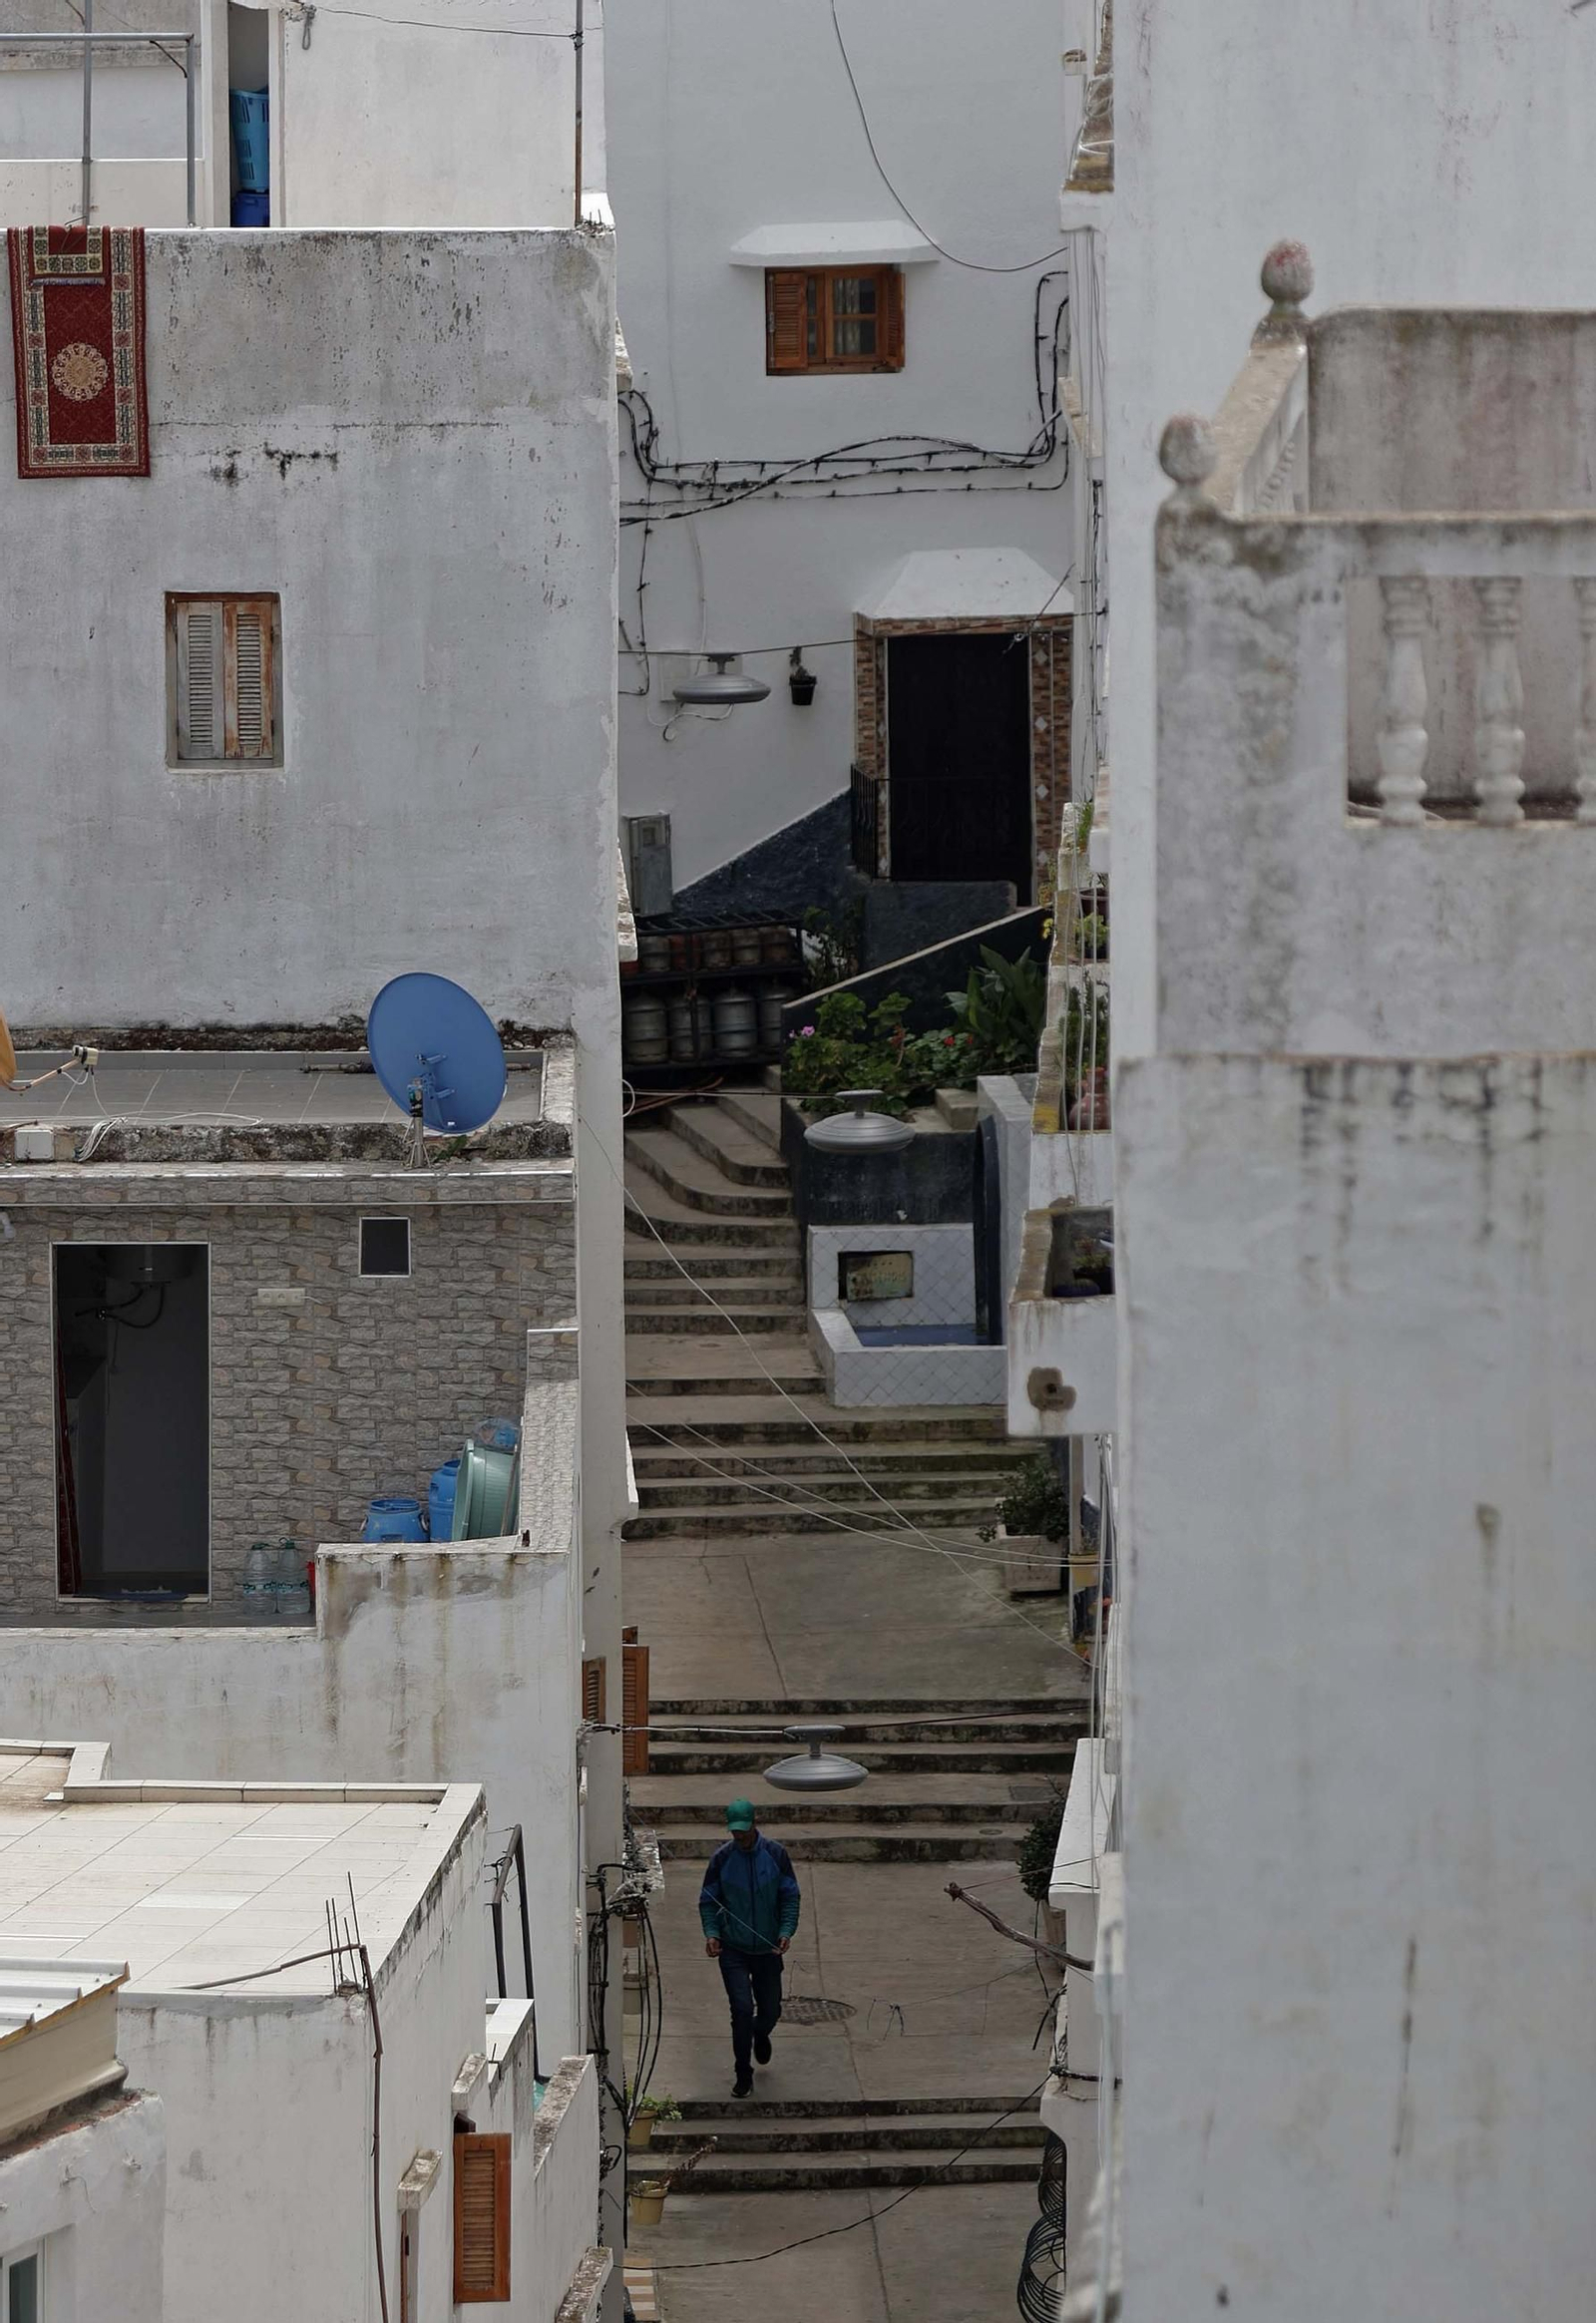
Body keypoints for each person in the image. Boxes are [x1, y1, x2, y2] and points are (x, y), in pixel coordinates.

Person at [699, 1798, 801, 2098]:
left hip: (768, 1948)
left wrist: (785, 1931)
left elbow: (790, 1897)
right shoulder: (722, 1859)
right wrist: (712, 1933)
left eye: (743, 1831)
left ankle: (761, 2032)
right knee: (741, 2010)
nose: (739, 1837)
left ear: (754, 1824)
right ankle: (743, 2071)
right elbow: (708, 1900)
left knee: (770, 2009)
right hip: (734, 1949)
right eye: (734, 1832)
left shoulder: (776, 1855)